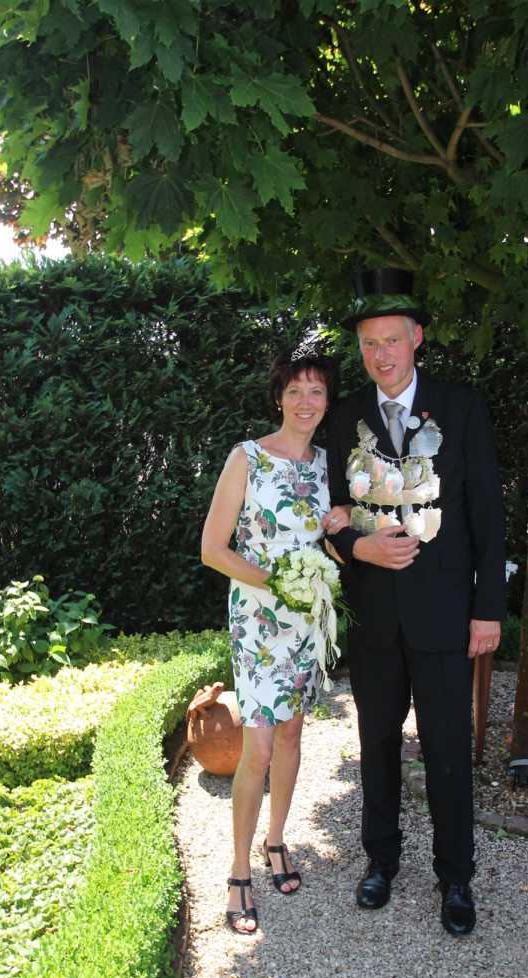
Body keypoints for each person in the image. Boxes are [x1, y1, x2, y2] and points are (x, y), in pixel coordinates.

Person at [325, 268, 506, 937]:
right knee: (375, 745)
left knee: (447, 748)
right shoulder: (344, 416)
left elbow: (487, 514)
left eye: (393, 340)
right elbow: (329, 513)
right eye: (370, 343)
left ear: (417, 338)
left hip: (445, 614)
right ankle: (380, 860)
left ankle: (456, 876)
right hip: (374, 614)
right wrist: (358, 548)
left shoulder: (460, 407)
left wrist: (489, 609)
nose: (382, 355)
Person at [201, 353, 344, 934]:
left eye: (317, 392)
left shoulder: (330, 465)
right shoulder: (247, 458)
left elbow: (332, 542)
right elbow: (213, 549)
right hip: (259, 622)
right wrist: (276, 584)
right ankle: (238, 871)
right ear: (278, 398)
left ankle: (277, 840)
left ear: (327, 402)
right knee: (256, 748)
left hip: (308, 620)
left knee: (290, 734)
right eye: (295, 391)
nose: (306, 402)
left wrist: (338, 535)